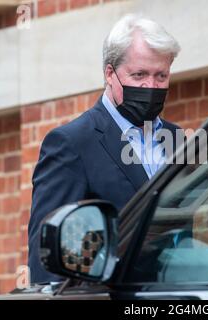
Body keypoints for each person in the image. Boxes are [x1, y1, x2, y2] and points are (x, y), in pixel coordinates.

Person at [28, 14, 182, 284]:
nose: (151, 87)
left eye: (161, 76)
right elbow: (46, 253)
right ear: (110, 74)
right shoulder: (72, 143)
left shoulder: (178, 139)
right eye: (139, 75)